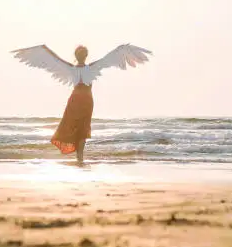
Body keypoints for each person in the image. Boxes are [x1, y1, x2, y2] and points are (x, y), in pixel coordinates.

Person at [11, 43, 152, 164]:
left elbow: (44, 51)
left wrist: (34, 51)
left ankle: (78, 157)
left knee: (72, 126)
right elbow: (119, 51)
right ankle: (80, 157)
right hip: (86, 100)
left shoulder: (70, 68)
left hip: (75, 99)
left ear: (77, 56)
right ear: (85, 56)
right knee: (83, 129)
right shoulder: (92, 68)